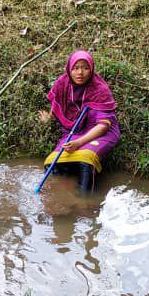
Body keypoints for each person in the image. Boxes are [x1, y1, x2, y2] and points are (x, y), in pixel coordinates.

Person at [41, 49, 120, 193]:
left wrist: (78, 143)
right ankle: (63, 201)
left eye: (85, 68)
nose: (80, 73)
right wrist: (50, 117)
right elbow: (57, 101)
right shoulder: (62, 83)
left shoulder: (100, 89)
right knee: (52, 163)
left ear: (91, 69)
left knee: (86, 159)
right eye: (76, 68)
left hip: (100, 132)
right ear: (69, 69)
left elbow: (103, 126)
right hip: (73, 131)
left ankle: (85, 203)